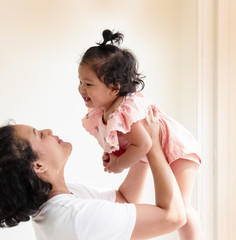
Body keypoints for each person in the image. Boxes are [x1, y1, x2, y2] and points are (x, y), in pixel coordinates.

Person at [0, 109, 186, 240]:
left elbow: (125, 200)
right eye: (39, 135)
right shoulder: (74, 217)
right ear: (38, 166)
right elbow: (173, 217)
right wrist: (154, 145)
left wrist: (138, 146)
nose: (49, 131)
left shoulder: (65, 200)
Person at [78, 29, 202, 240]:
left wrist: (119, 164)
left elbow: (143, 145)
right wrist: (113, 155)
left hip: (179, 149)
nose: (81, 89)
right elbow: (125, 143)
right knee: (175, 204)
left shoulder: (127, 110)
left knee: (181, 205)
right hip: (163, 151)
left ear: (115, 88)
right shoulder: (103, 111)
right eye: (80, 81)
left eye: (89, 84)